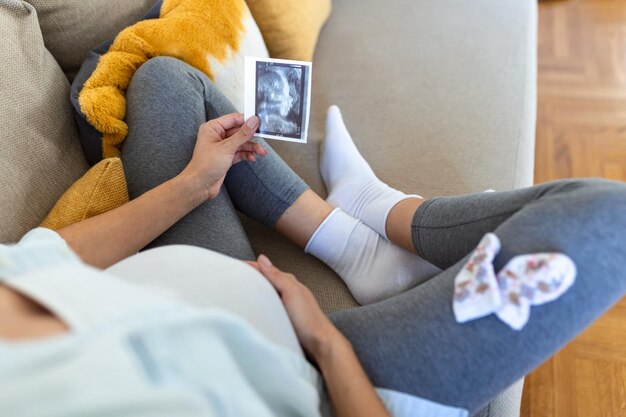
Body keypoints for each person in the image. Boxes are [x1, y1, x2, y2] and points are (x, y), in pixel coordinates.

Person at [1, 57, 625, 417]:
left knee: (165, 80)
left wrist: (194, 185)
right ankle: (375, 215)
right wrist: (323, 342)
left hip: (198, 272)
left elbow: (58, 254)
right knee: (609, 219)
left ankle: (356, 236)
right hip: (316, 377)